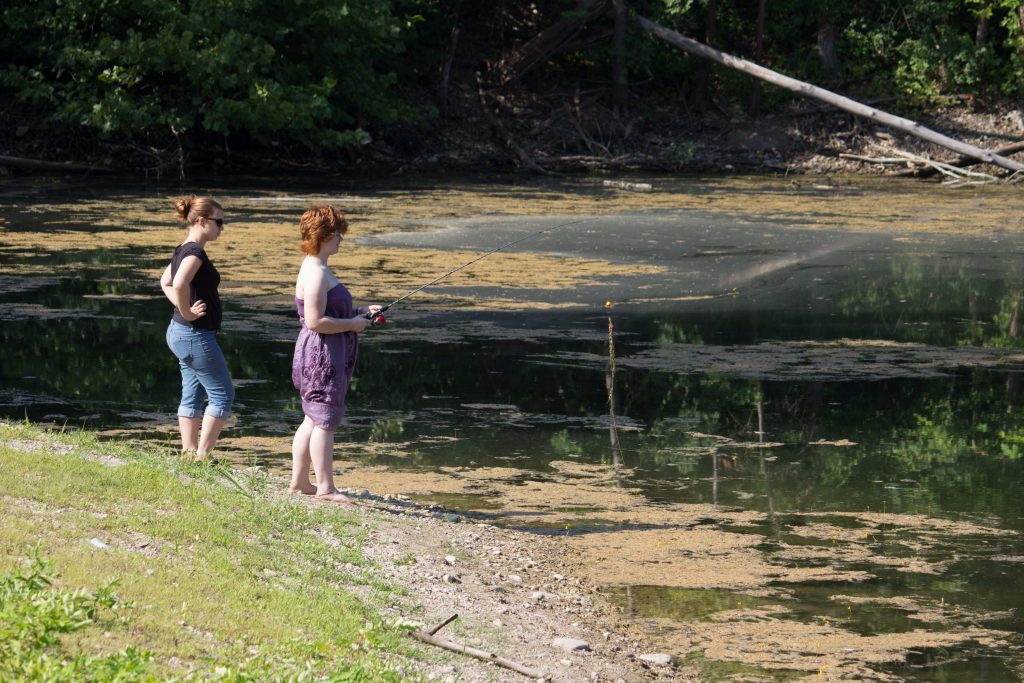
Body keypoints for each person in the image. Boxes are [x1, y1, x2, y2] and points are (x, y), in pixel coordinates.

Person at [290, 205, 378, 504]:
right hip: (322, 355)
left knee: (312, 419)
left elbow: (328, 313)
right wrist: (353, 324)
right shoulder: (315, 272)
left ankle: (300, 482)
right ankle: (325, 488)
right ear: (324, 235)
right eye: (338, 233)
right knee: (325, 418)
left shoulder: (317, 267)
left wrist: (361, 314)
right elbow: (315, 321)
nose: (341, 238)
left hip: (323, 349)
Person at [159, 195, 235, 462]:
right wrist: (187, 311)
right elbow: (178, 284)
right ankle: (202, 456)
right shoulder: (194, 252)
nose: (221, 228)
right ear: (202, 221)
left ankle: (189, 453)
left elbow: (164, 282)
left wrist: (183, 311)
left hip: (182, 334)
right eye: (219, 222)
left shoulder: (183, 248)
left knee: (192, 391)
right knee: (223, 394)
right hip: (194, 335)